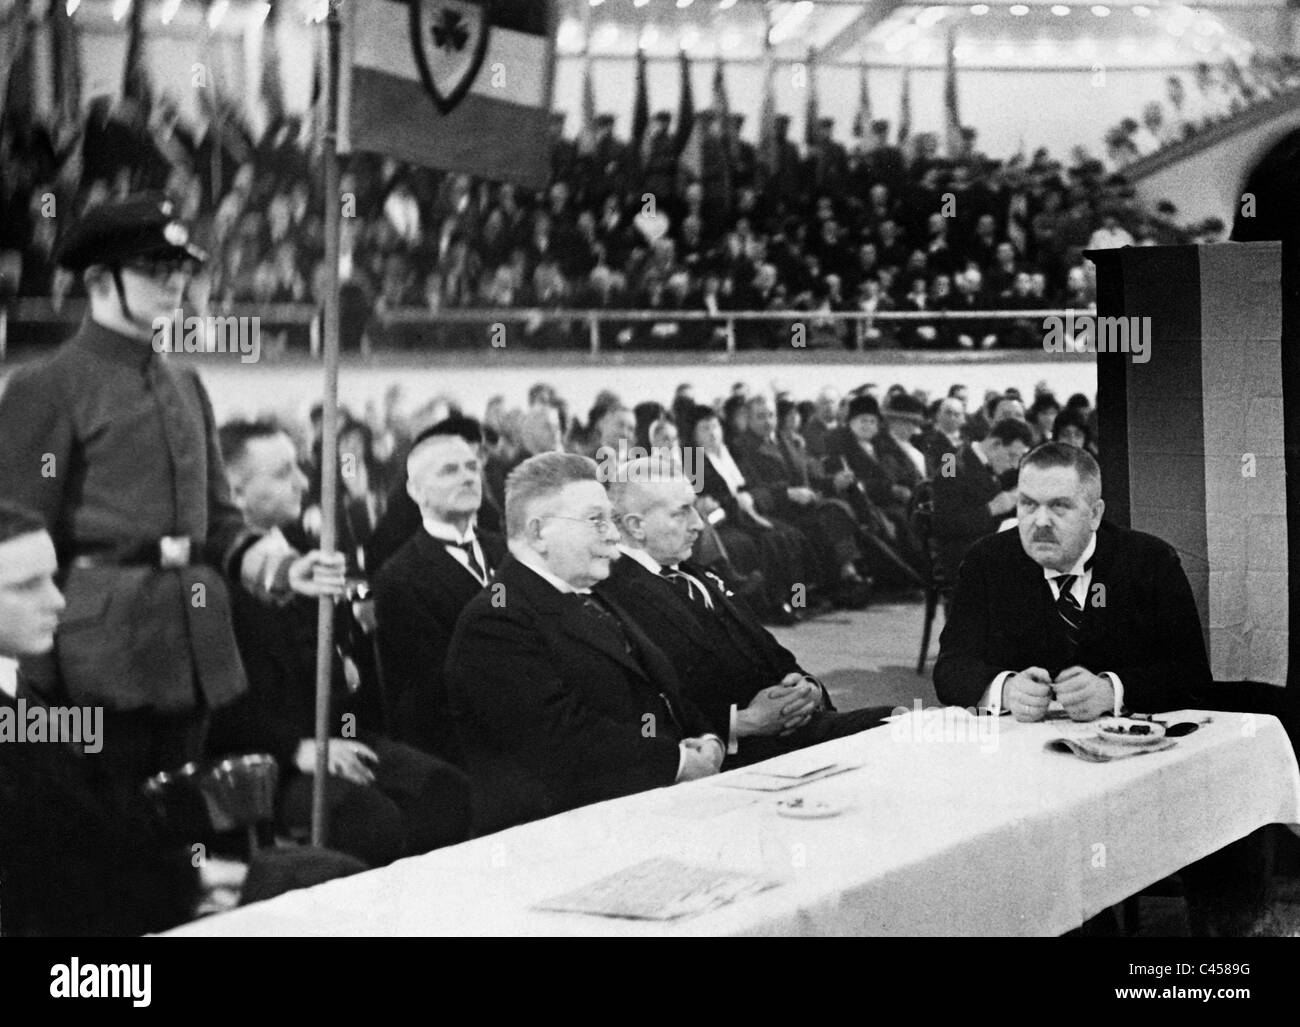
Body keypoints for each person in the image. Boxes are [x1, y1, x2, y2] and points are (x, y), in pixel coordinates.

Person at [0, 194, 333, 791]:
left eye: (181, 268)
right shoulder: (47, 386)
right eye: (155, 269)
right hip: (93, 656)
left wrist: (280, 569)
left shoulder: (186, 382)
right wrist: (39, 679)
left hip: (192, 646)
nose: (176, 282)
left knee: (178, 825)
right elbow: (21, 534)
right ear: (101, 281)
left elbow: (221, 523)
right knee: (97, 834)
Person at [0, 502, 363, 936]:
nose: (58, 601)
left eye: (53, 579)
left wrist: (202, 874)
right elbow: (53, 886)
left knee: (318, 874)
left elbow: (105, 828)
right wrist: (197, 886)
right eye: (26, 586)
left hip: (137, 894)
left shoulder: (26, 694)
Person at [210, 422, 472, 867]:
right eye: (283, 473)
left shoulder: (302, 548)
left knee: (443, 790)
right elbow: (221, 710)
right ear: (235, 493)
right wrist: (300, 750)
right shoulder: (215, 583)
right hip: (264, 755)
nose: (304, 482)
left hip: (331, 729)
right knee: (370, 820)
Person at [444, 453, 723, 832]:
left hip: (644, 802)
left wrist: (705, 736)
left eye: (610, 518)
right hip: (565, 836)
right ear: (539, 532)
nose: (613, 533)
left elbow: (660, 689)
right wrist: (678, 762)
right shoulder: (495, 622)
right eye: (596, 520)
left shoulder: (587, 593)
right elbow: (563, 746)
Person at [602, 460, 889, 766]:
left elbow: (773, 653)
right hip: (729, 762)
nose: (698, 524)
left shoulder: (701, 576)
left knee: (901, 722)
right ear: (635, 526)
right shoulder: (614, 596)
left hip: (793, 733)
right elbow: (641, 718)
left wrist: (808, 690)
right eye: (681, 512)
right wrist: (744, 722)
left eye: (695, 508)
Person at [933, 443, 1210, 717]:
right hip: (1020, 751)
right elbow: (950, 669)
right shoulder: (987, 561)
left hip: (1125, 748)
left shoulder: (1151, 562)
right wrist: (1003, 689)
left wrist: (1114, 691)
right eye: (1028, 504)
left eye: (1059, 506)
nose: (1040, 522)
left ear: (1094, 515)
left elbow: (1192, 675)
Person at [373, 419, 506, 763]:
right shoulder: (400, 576)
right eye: (449, 471)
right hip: (454, 741)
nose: (466, 477)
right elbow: (436, 682)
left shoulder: (508, 554)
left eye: (471, 468)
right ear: (416, 491)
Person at [931, 418, 1034, 582]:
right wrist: (991, 508)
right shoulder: (949, 459)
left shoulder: (990, 465)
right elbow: (944, 522)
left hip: (987, 542)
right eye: (1012, 456)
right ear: (996, 444)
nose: (1015, 465)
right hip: (960, 551)